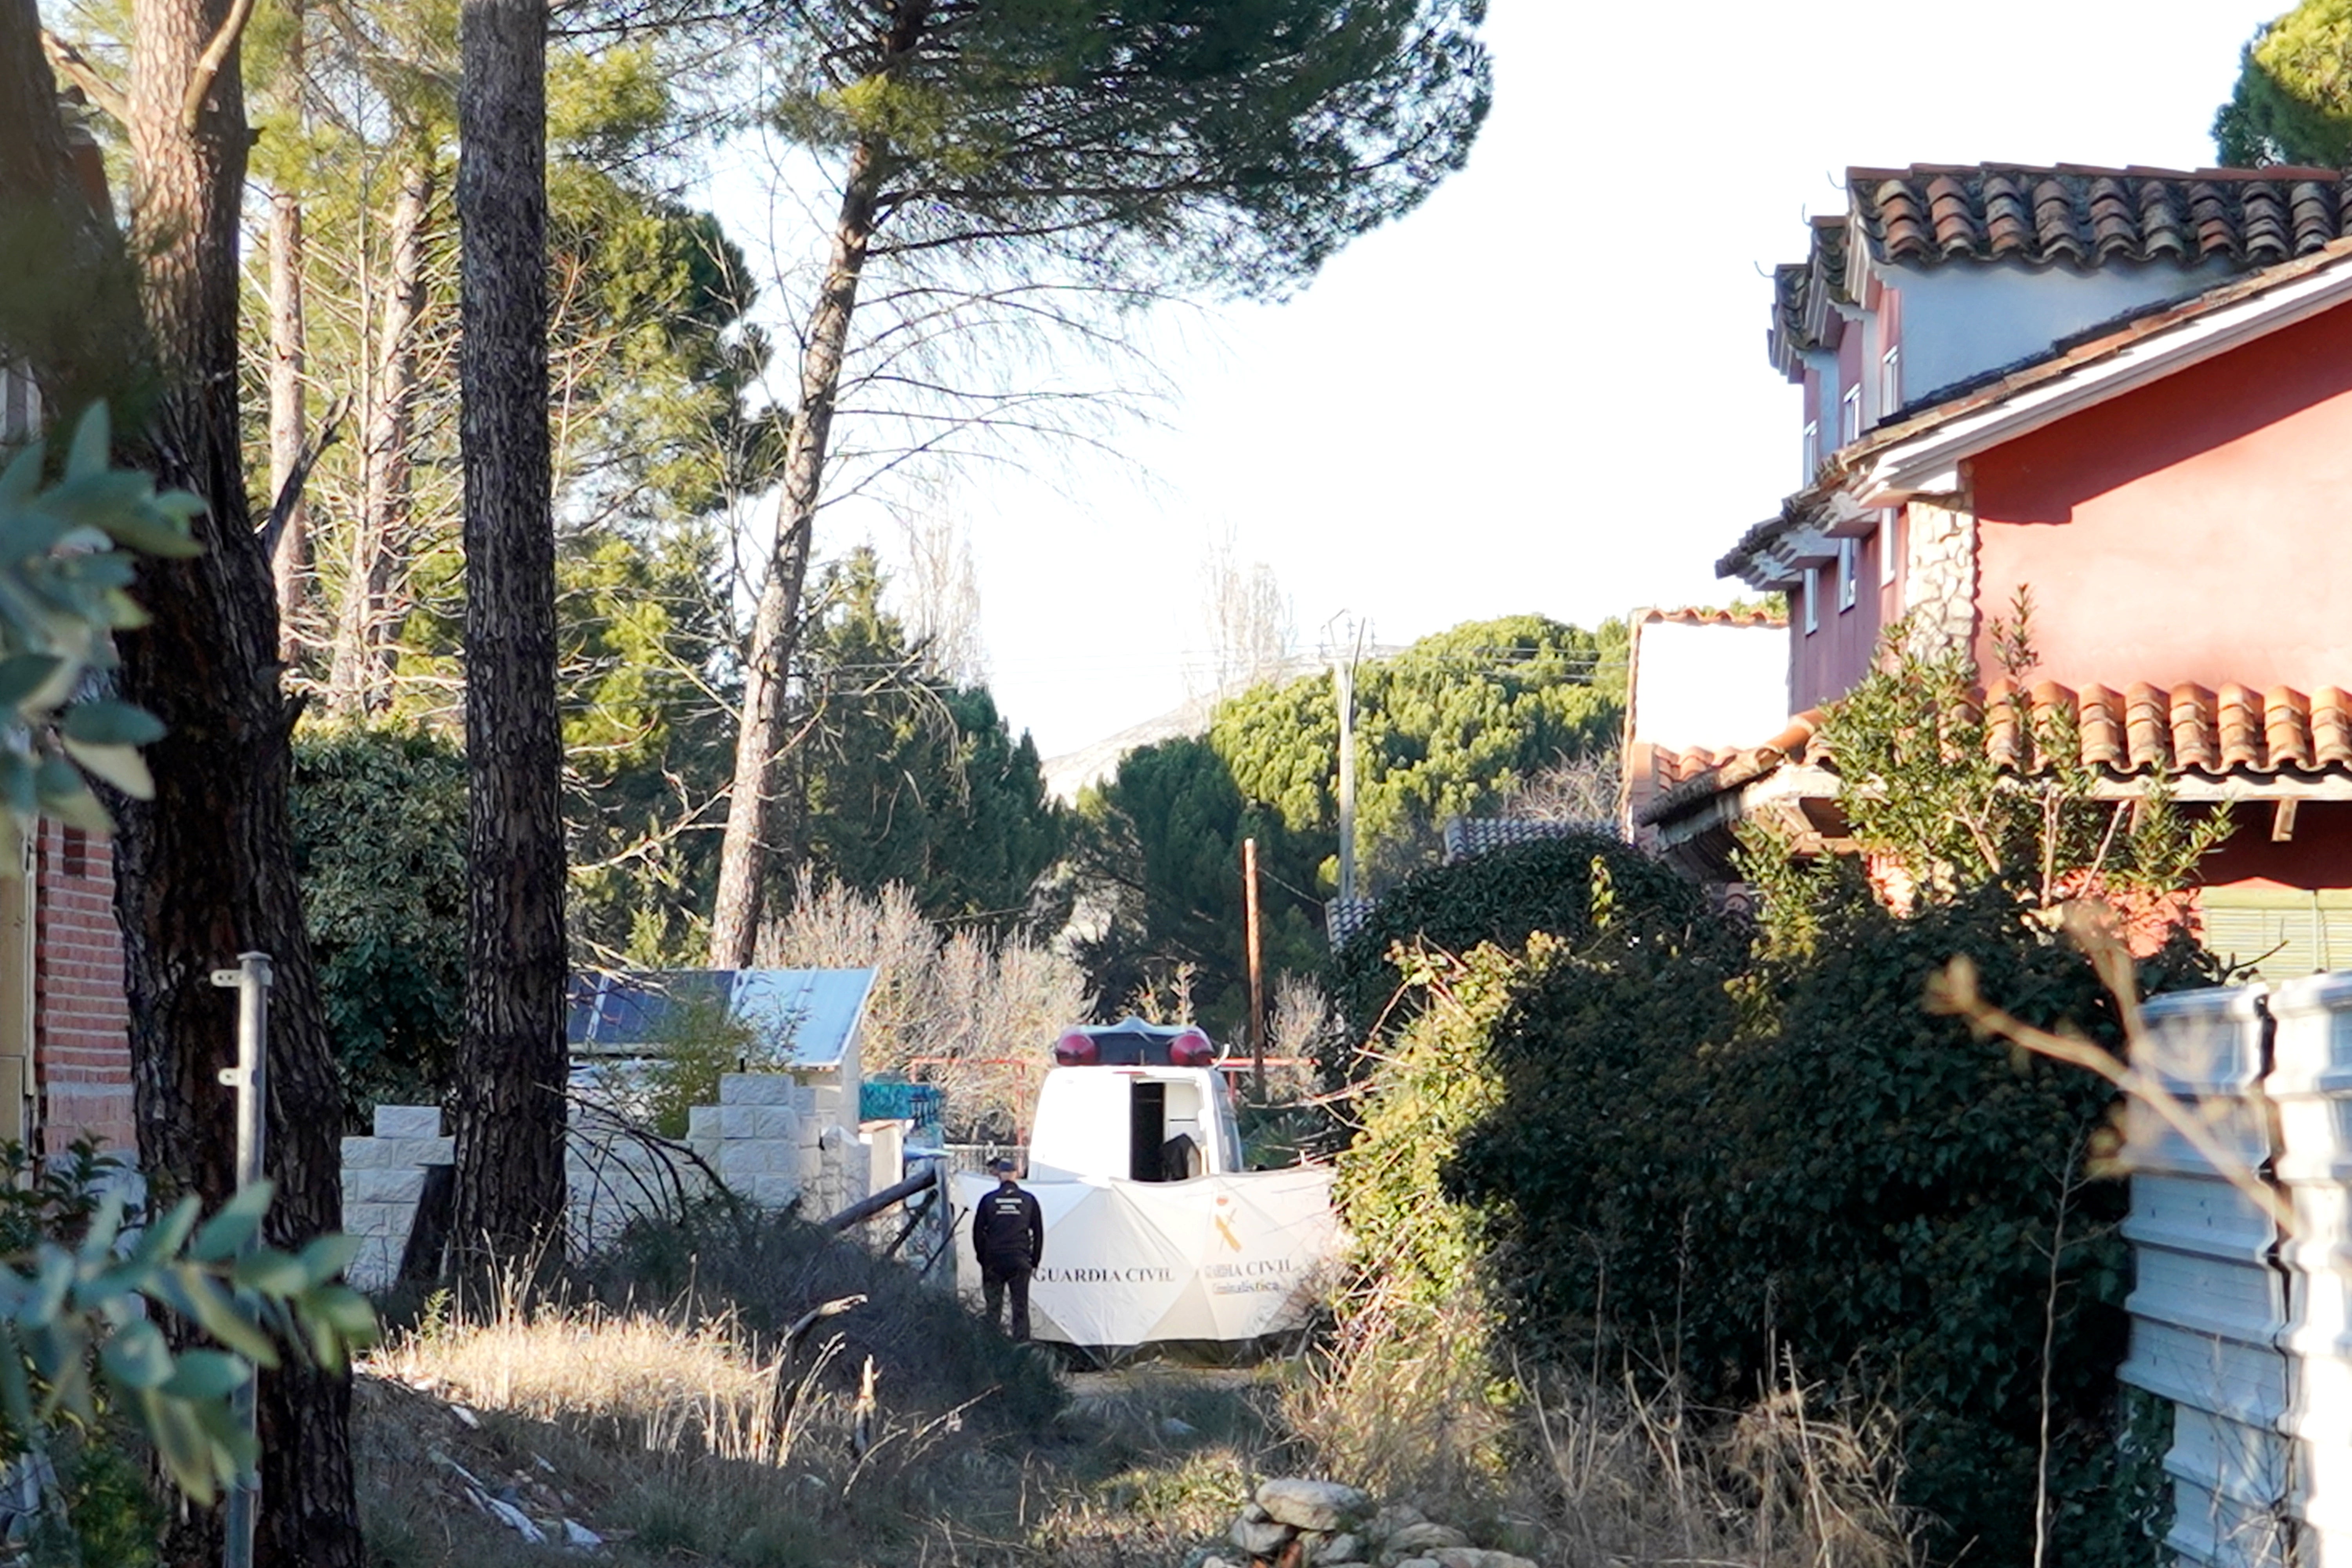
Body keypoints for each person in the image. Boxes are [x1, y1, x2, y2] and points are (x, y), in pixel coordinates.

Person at [972, 1156, 1044, 1340]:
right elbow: (1038, 1232)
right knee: (1020, 1309)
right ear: (1017, 1175)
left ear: (999, 1176)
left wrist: (983, 1258)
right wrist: (1034, 1260)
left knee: (993, 1309)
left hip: (994, 1260)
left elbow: (978, 1232)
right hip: (1020, 1260)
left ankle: (992, 1349)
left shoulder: (988, 1200)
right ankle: (1022, 1352)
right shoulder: (1029, 1200)